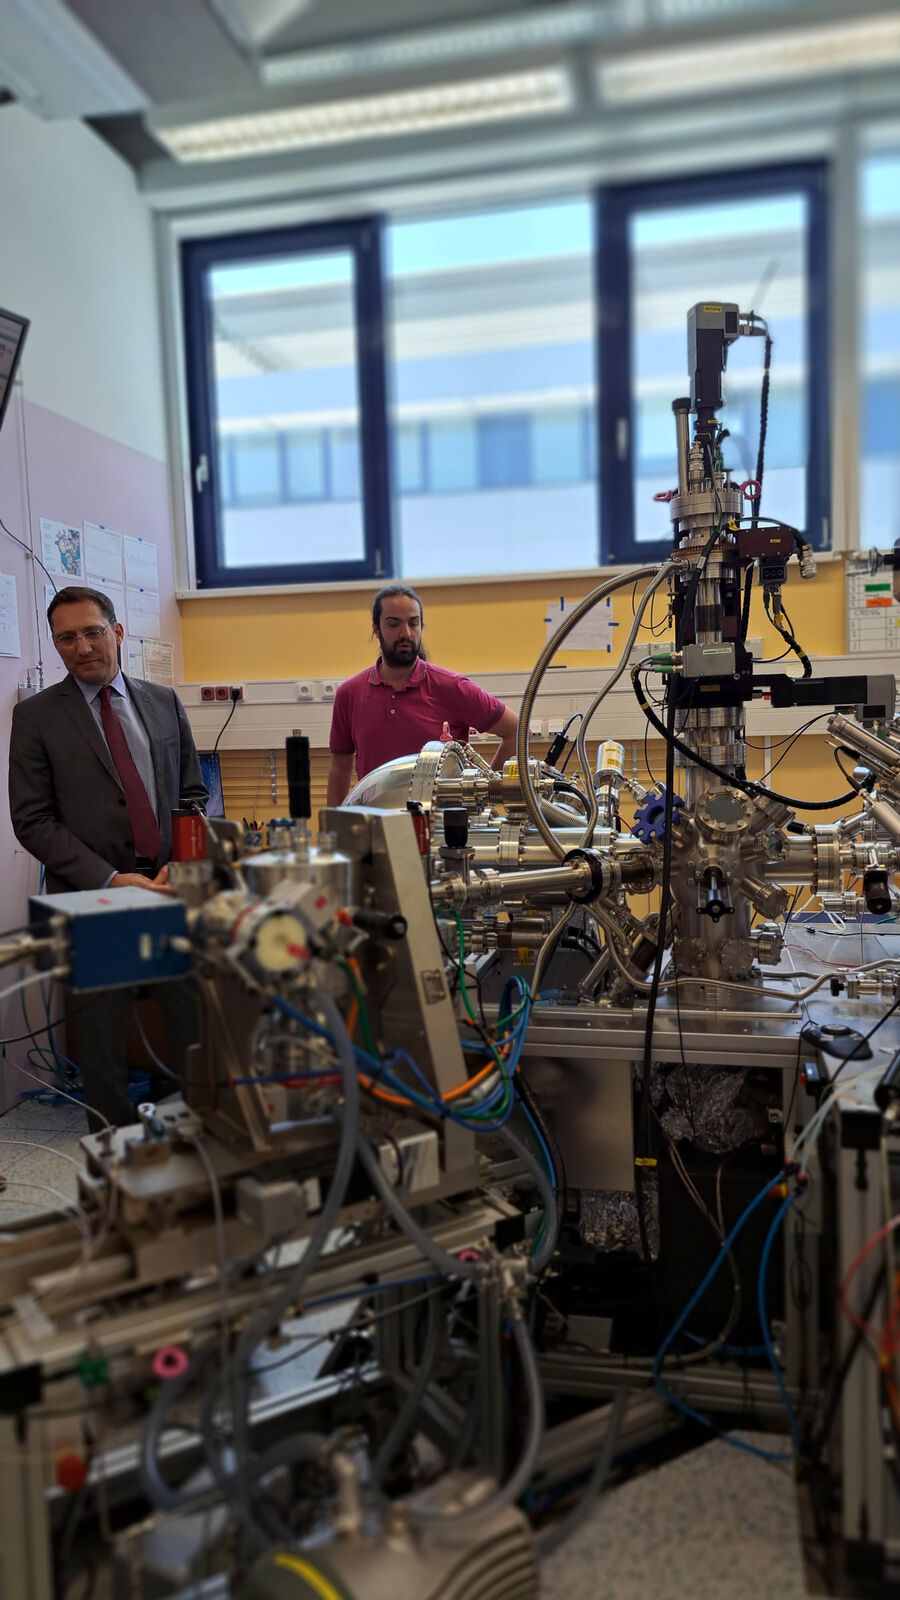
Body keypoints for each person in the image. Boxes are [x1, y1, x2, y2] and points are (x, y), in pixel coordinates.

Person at [9, 585, 208, 1129]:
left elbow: (193, 794)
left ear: (117, 632)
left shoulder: (162, 701)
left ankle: (191, 1132)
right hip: (92, 899)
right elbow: (32, 820)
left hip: (167, 889)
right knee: (101, 1048)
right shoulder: (36, 716)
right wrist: (110, 877)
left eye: (92, 632)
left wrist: (185, 860)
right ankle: (114, 1147)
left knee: (189, 1026)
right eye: (66, 638)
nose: (82, 647)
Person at [327, 585, 518, 805]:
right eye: (393, 624)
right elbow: (340, 767)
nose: (406, 633)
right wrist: (333, 823)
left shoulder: (451, 687)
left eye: (413, 623)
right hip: (377, 819)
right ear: (376, 629)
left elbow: (517, 731)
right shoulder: (349, 694)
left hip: (442, 823)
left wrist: (484, 794)